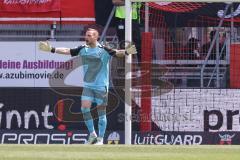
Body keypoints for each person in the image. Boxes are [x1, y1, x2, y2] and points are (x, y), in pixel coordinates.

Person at [39, 28, 137, 145]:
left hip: (101, 87)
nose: (87, 37)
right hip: (88, 86)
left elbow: (117, 53)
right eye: (86, 35)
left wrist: (127, 52)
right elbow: (67, 50)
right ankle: (92, 135)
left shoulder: (104, 49)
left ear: (96, 37)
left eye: (89, 35)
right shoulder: (82, 49)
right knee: (84, 108)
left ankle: (100, 139)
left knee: (101, 113)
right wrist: (51, 49)